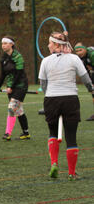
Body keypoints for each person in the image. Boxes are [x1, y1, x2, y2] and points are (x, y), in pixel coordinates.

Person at [38, 32, 93, 180]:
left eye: (50, 42)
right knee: (71, 137)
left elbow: (43, 83)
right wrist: (91, 89)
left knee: (53, 133)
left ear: (56, 44)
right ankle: (71, 173)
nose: (48, 45)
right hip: (70, 99)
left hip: (51, 100)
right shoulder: (74, 58)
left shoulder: (45, 61)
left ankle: (54, 163)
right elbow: (86, 78)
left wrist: (48, 93)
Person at [0, 36, 31, 141]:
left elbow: (19, 73)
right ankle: (26, 133)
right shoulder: (3, 58)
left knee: (12, 108)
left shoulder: (18, 57)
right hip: (11, 86)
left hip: (21, 85)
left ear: (11, 44)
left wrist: (11, 86)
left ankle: (7, 133)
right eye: (2, 44)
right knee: (18, 111)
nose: (3, 45)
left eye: (6, 43)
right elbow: (3, 74)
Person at [74, 42, 94, 121]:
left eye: (80, 50)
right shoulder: (79, 58)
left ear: (85, 49)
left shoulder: (92, 55)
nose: (79, 53)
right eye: (77, 51)